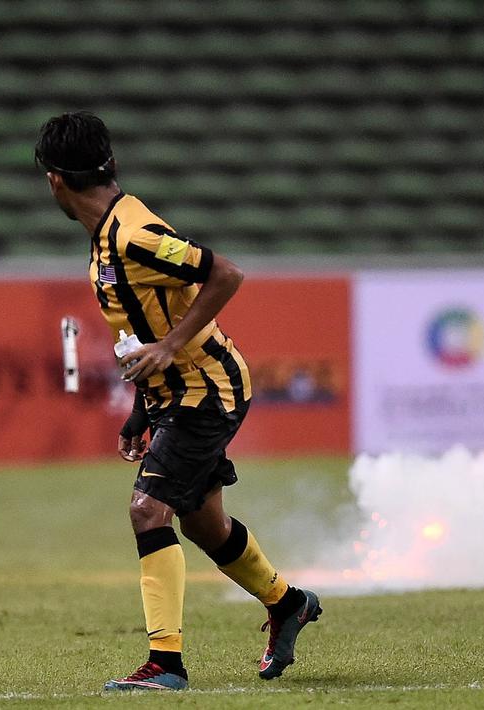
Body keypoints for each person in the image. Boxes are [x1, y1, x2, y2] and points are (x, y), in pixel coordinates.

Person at [34, 112, 322, 691]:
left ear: (54, 181)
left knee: (148, 509)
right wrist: (143, 406)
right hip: (176, 394)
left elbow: (226, 274)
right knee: (202, 523)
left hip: (206, 389)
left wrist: (168, 346)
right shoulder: (107, 238)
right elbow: (145, 329)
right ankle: (288, 603)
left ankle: (165, 665)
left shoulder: (133, 238)